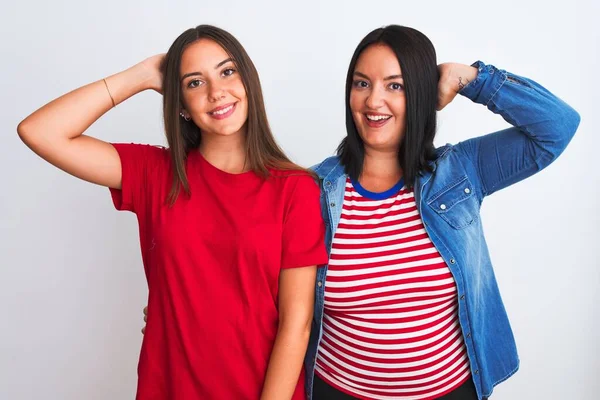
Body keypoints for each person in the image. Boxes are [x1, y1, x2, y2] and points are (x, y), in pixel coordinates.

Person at [140, 25, 580, 400]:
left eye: (397, 85)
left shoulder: (460, 172)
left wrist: (471, 78)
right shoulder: (312, 189)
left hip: (452, 389)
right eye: (361, 83)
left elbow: (556, 128)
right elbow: (257, 282)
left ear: (422, 95)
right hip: (337, 391)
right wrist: (178, 320)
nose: (374, 101)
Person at [17, 24, 328, 400]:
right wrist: (142, 75)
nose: (217, 93)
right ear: (179, 104)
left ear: (248, 80)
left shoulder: (295, 188)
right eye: (194, 83)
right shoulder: (155, 174)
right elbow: (40, 131)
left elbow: (296, 325)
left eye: (227, 72)